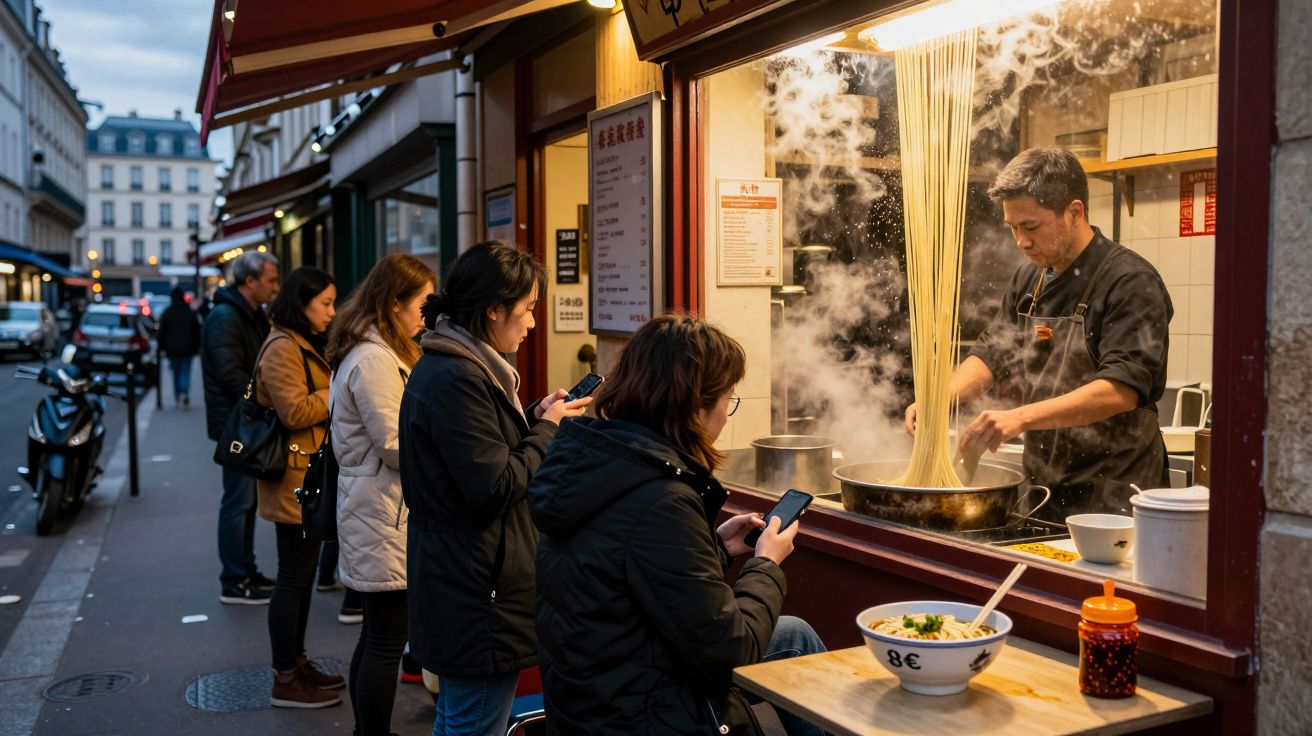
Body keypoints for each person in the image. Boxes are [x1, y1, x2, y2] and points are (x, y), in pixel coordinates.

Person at [528, 314, 826, 736]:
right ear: (695, 406)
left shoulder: (597, 464)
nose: (727, 414)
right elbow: (730, 649)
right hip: (641, 715)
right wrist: (767, 564)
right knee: (795, 642)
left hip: (588, 700)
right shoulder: (661, 499)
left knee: (794, 635)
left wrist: (716, 548)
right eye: (728, 399)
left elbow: (635, 574)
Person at [905, 147, 1173, 521]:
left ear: (1074, 213)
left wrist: (1021, 417)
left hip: (1113, 496)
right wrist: (941, 400)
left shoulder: (1130, 282)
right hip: (1043, 488)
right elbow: (991, 353)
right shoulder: (1029, 278)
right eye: (1012, 228)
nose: (1021, 242)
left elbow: (1121, 389)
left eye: (1030, 227)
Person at [399, 241, 590, 736]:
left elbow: (474, 453)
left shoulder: (456, 365)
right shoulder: (459, 377)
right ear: (492, 310)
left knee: (462, 718)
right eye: (526, 310)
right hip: (476, 587)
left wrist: (531, 418)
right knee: (473, 723)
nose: (531, 323)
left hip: (463, 576)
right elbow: (494, 485)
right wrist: (548, 430)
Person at [326, 253, 436, 735]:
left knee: (379, 635)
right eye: (423, 303)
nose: (428, 313)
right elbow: (395, 444)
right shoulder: (374, 358)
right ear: (395, 303)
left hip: (379, 510)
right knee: (385, 639)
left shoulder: (379, 349)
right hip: (383, 513)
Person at [252, 266, 341, 708]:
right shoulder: (282, 347)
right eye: (324, 303)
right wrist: (339, 390)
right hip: (293, 480)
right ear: (300, 303)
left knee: (301, 578)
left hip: (305, 475)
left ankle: (298, 663)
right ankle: (285, 677)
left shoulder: (300, 342)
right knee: (292, 579)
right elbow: (294, 411)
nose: (331, 310)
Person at [202, 250, 280, 605]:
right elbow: (229, 373)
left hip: (244, 420)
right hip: (238, 425)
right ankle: (234, 579)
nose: (275, 288)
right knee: (238, 501)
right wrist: (261, 404)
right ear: (250, 281)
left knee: (244, 502)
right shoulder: (226, 316)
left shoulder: (249, 315)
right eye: (271, 281)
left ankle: (244, 571)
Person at [156, 286, 201, 407]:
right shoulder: (189, 312)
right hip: (187, 348)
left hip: (172, 349)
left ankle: (178, 395)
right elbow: (197, 331)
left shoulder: (168, 312)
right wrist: (197, 347)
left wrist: (160, 347)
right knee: (185, 372)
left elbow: (162, 332)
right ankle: (184, 393)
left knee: (176, 373)